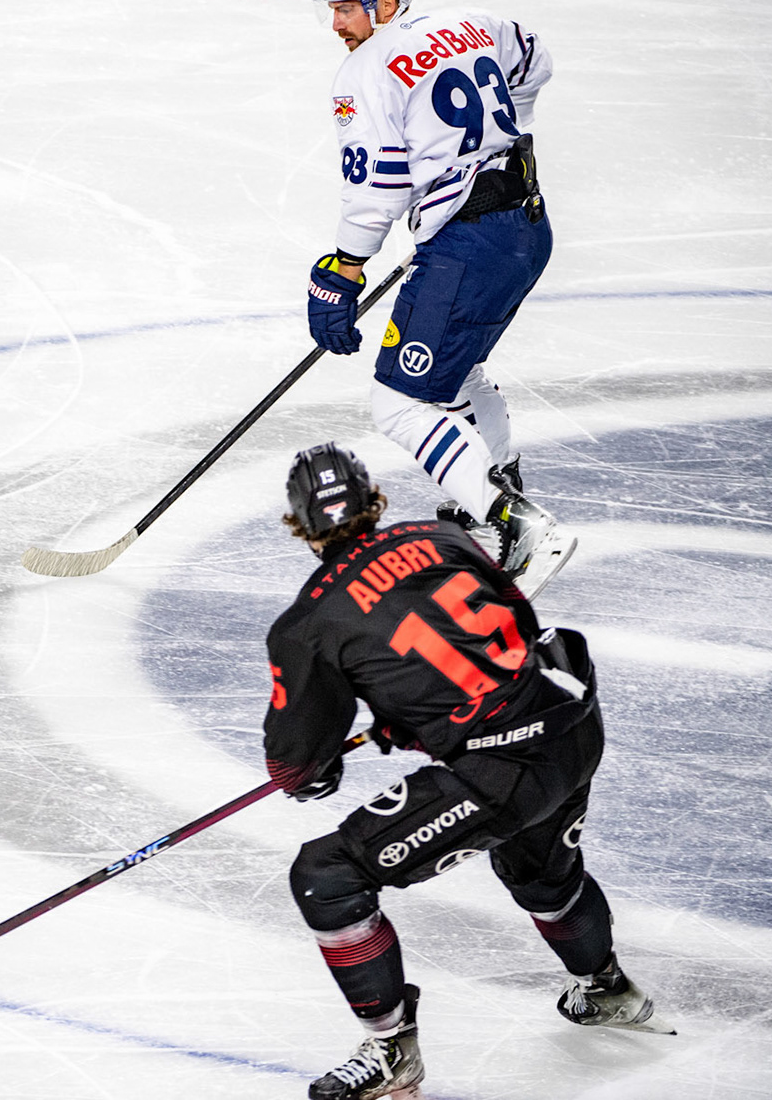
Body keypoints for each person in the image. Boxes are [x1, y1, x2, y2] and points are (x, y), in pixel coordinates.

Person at [266, 443, 669, 1100]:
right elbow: (514, 625)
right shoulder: (442, 537)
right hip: (571, 727)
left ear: (303, 530)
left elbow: (294, 767)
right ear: (375, 503)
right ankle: (607, 990)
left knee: (327, 877)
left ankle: (393, 1050)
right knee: (541, 875)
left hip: (501, 769)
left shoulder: (306, 624)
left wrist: (320, 766)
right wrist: (418, 714)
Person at [304, 0, 575, 600]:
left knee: (399, 402)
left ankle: (520, 526)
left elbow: (379, 185)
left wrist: (342, 267)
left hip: (472, 245)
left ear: (388, 1)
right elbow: (534, 61)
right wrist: (497, 149)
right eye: (332, 9)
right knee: (458, 372)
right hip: (526, 227)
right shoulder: (472, 22)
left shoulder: (365, 71)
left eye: (348, 7)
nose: (338, 23)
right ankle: (492, 500)